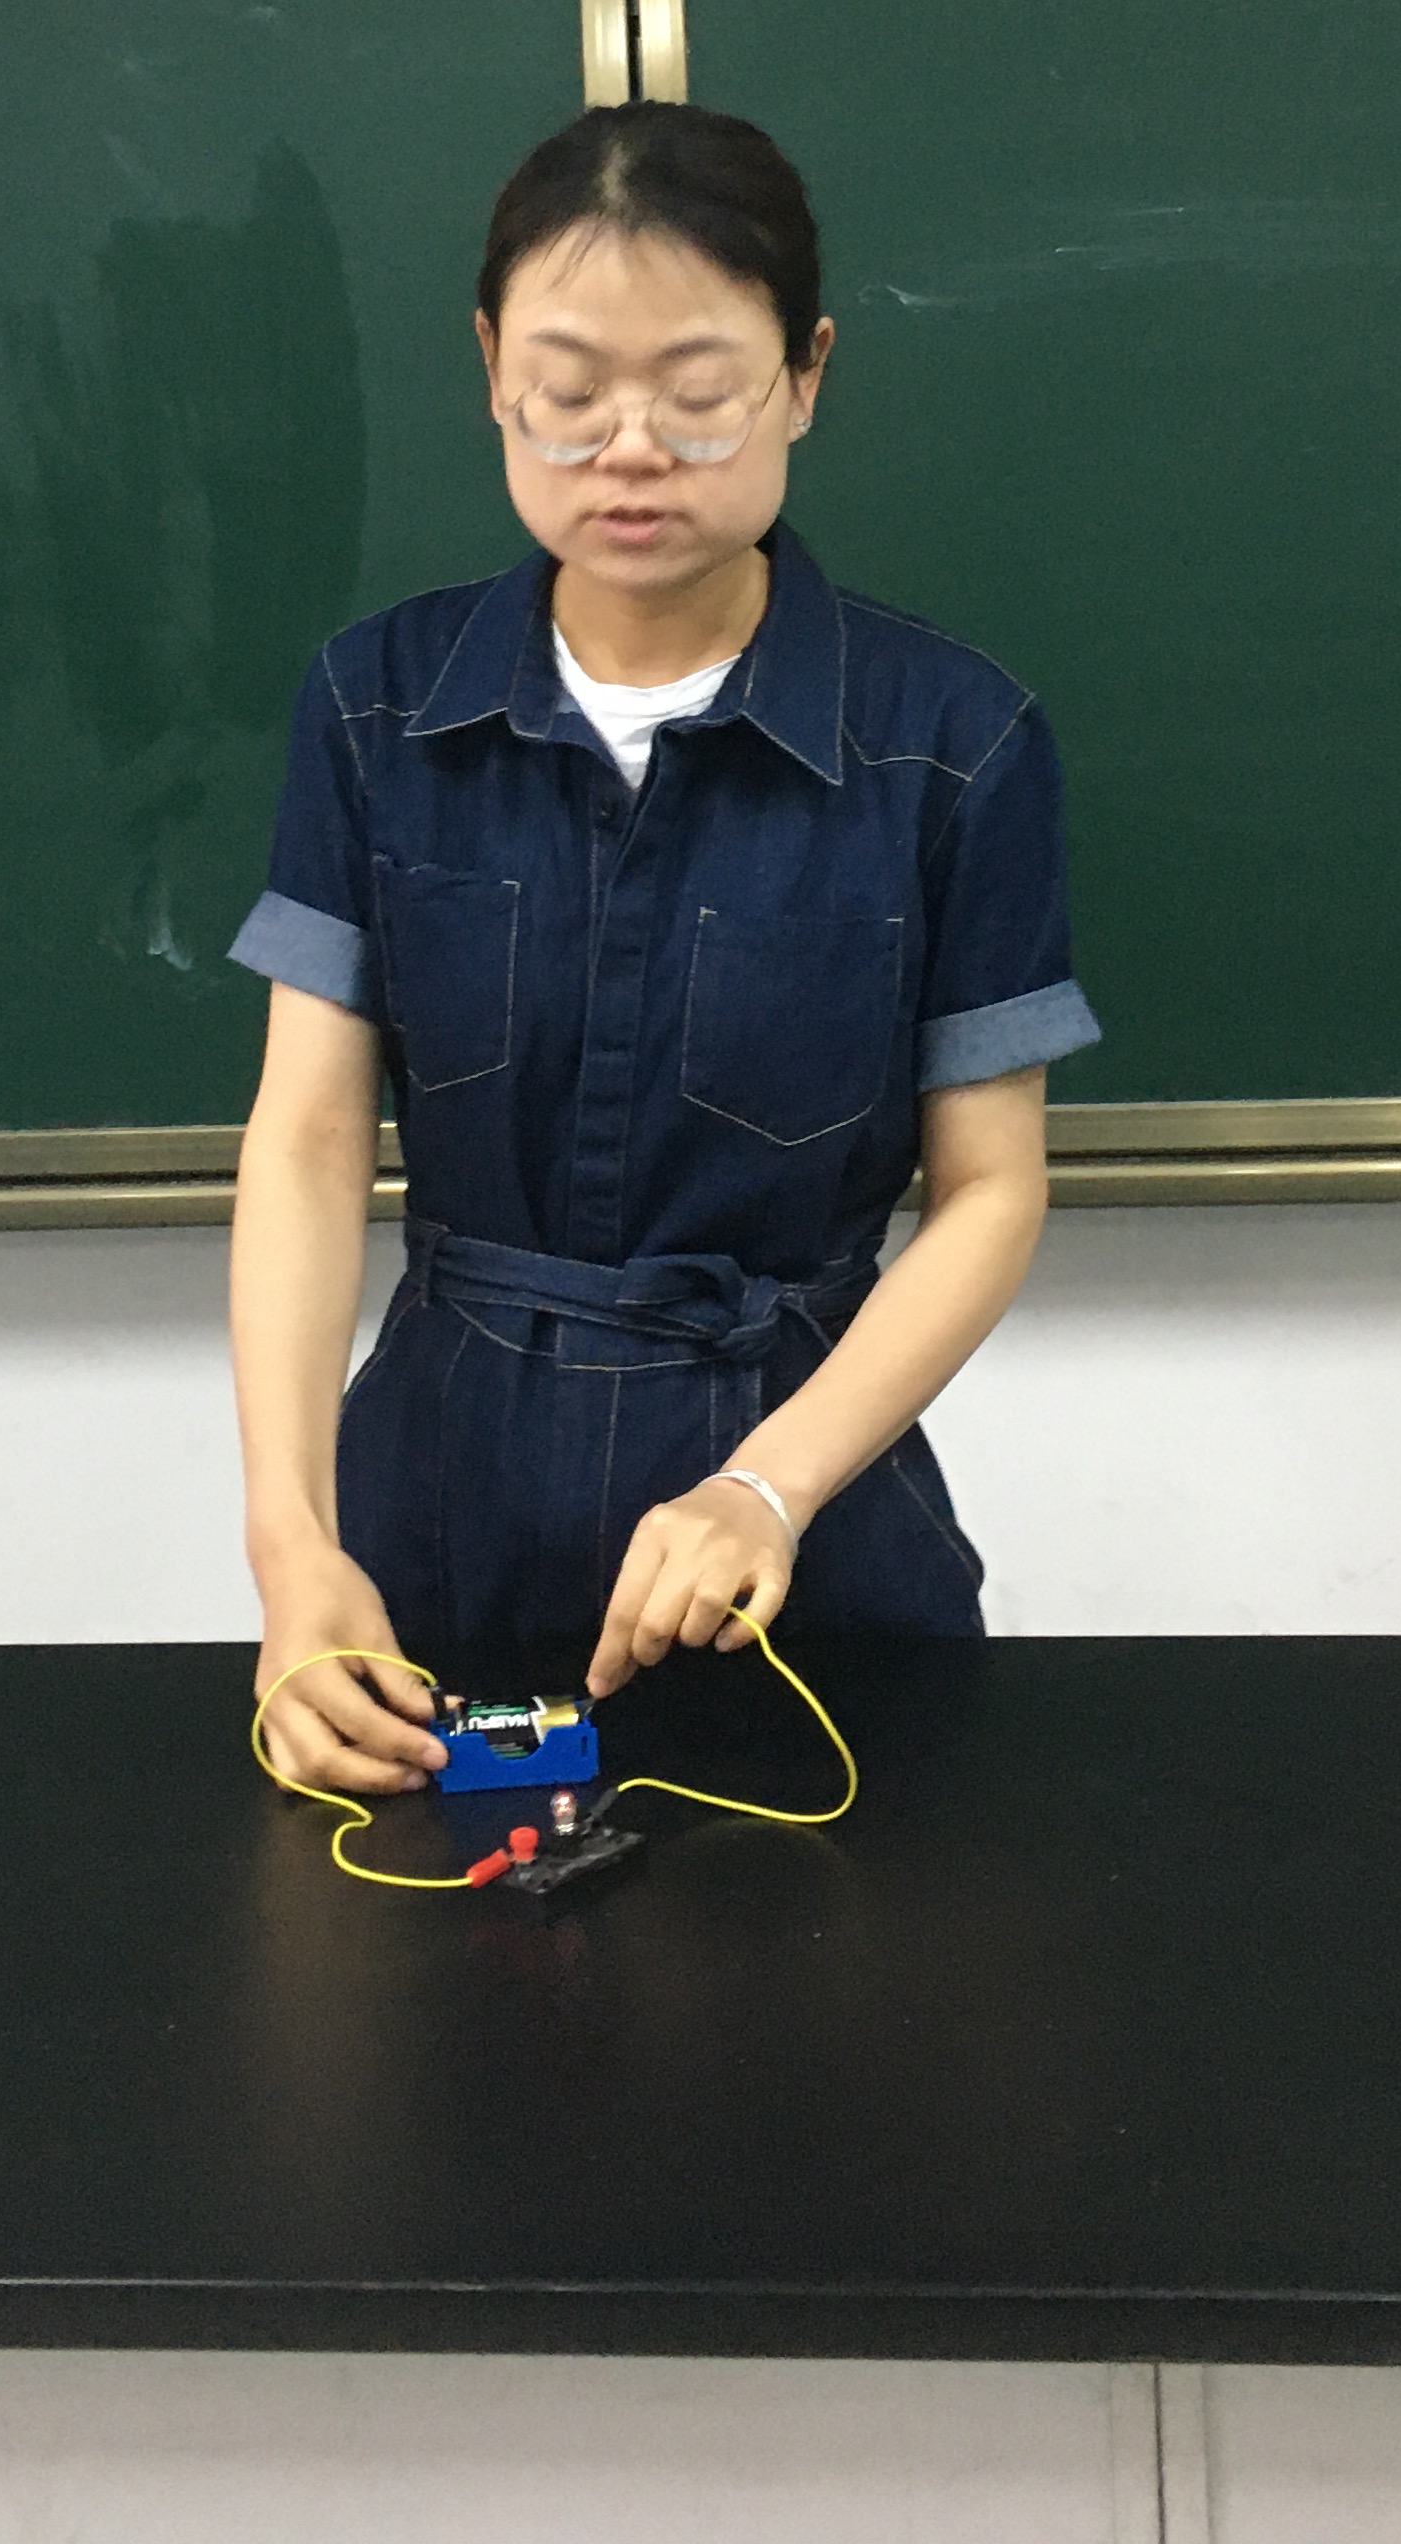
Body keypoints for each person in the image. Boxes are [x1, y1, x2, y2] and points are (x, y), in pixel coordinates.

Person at [228, 101, 1099, 1803]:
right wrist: (292, 1551)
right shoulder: (374, 709)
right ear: (491, 371)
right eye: (568, 391)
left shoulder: (954, 741)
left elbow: (992, 1189)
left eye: (699, 393)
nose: (630, 450)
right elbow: (311, 1140)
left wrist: (767, 1487)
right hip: (434, 1515)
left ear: (805, 377)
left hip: (803, 1523)